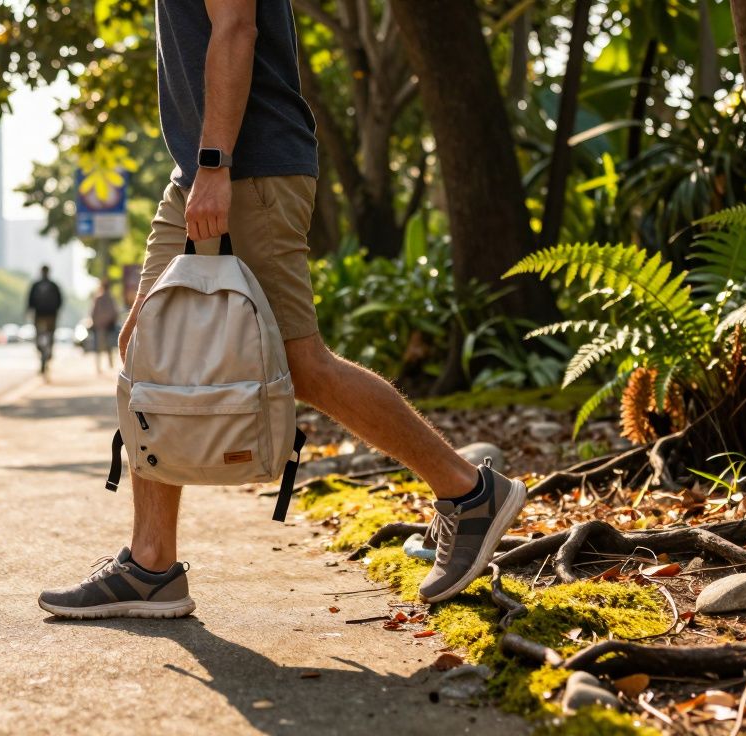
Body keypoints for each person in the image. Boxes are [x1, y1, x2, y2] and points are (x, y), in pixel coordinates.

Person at [38, 0, 527, 619]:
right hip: (201, 172)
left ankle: (469, 491)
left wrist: (216, 164)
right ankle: (151, 564)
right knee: (149, 352)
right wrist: (202, 168)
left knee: (302, 364)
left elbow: (236, 25)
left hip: (245, 168)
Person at [27, 265, 63, 375]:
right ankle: (48, 352)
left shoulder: (36, 285)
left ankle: (42, 351)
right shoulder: (53, 285)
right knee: (50, 335)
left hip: (39, 315)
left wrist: (29, 311)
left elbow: (30, 301)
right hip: (51, 315)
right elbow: (60, 301)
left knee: (39, 335)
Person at [89, 280, 119, 373]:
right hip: (109, 325)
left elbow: (93, 312)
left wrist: (94, 323)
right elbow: (115, 312)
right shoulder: (111, 298)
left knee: (99, 346)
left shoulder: (98, 298)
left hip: (99, 326)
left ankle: (99, 366)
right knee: (109, 345)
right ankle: (110, 364)